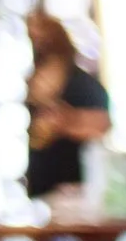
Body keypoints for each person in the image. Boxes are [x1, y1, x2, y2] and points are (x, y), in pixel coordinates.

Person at [23, 13, 109, 200]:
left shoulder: (82, 84)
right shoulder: (34, 78)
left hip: (75, 178)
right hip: (44, 180)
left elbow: (103, 125)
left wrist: (66, 121)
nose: (38, 43)